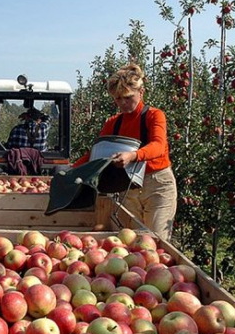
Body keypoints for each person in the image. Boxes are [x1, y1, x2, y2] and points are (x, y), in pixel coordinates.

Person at [73, 62, 177, 241]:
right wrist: (73, 170)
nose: (122, 103)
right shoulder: (113, 123)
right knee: (134, 242)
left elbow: (158, 146)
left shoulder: (154, 115)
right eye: (118, 99)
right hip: (128, 187)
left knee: (157, 241)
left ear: (141, 92)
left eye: (127, 97)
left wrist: (133, 156)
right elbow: (95, 155)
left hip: (157, 184)